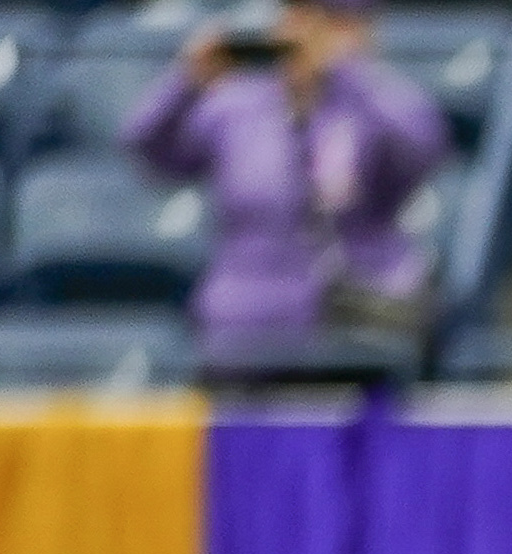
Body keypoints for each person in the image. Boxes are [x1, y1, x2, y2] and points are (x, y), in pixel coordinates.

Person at [119, 2, 453, 383]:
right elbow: (146, 145)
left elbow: (425, 147)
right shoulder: (240, 104)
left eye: (325, 22)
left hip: (354, 330)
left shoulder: (372, 102)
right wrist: (186, 81)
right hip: (243, 326)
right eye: (295, 17)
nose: (304, 33)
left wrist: (346, 70)